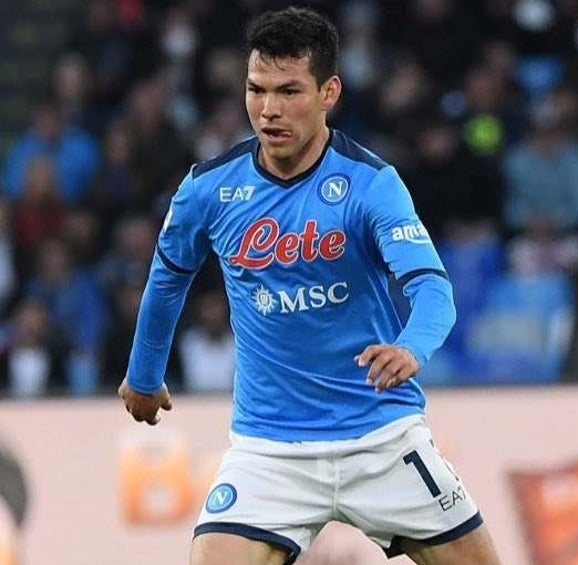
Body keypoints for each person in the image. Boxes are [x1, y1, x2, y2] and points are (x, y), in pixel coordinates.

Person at [117, 7, 501, 565]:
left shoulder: (371, 184)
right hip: (269, 451)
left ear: (329, 93)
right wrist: (144, 374)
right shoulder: (208, 189)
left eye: (289, 91)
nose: (268, 109)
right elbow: (166, 280)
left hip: (381, 438)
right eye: (256, 89)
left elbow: (432, 289)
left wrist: (411, 347)